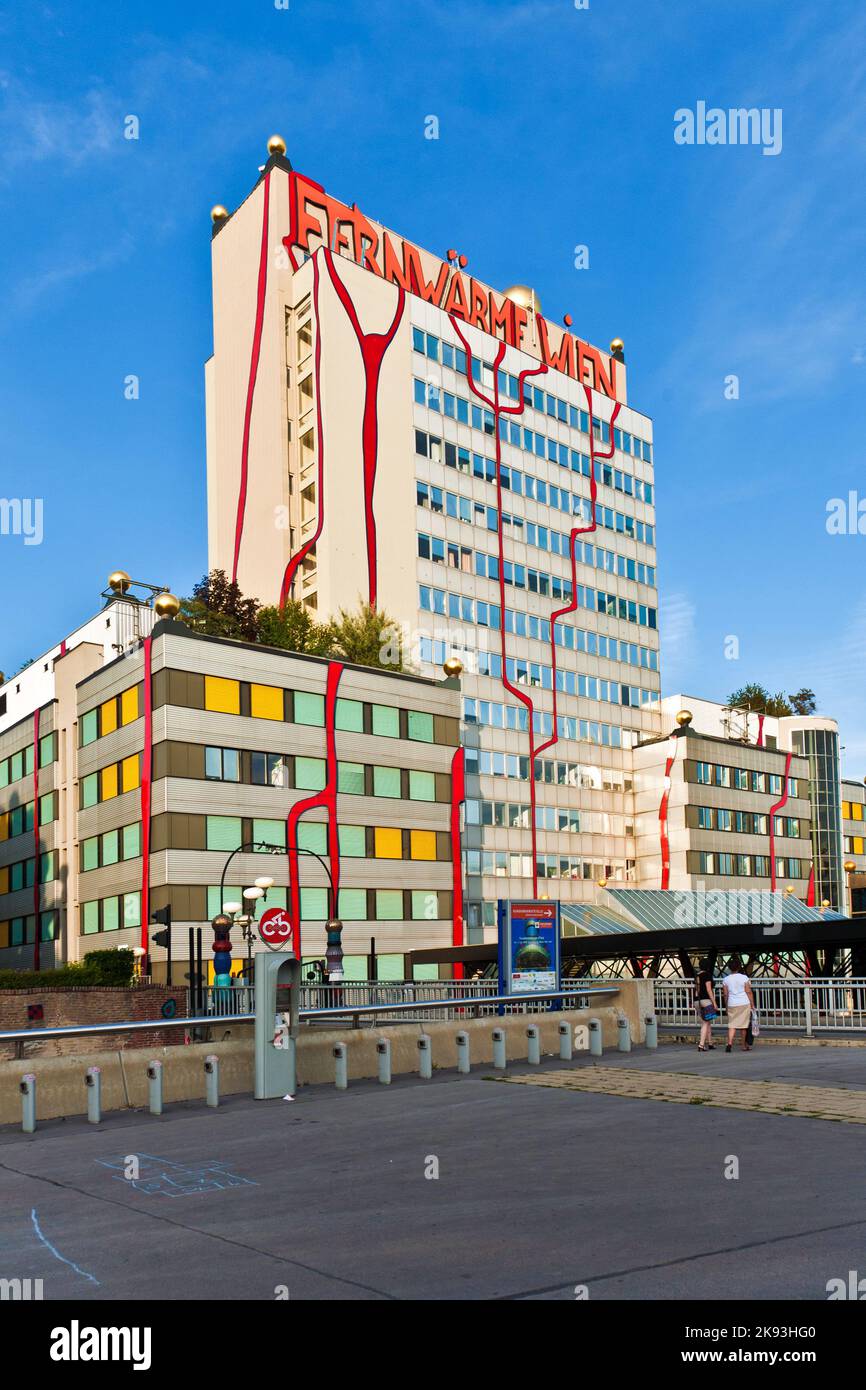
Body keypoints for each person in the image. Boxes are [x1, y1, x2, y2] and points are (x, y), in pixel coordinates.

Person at [723, 957, 755, 1052]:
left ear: (729, 968)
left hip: (732, 1003)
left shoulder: (726, 979)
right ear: (739, 967)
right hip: (744, 1003)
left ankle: (729, 1043)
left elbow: (725, 994)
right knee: (743, 1026)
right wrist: (752, 1004)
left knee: (732, 1025)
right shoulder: (744, 978)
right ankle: (743, 1045)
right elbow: (748, 991)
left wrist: (726, 1005)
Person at [695, 959, 718, 1052]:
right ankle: (701, 1045)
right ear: (708, 966)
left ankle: (710, 1043)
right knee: (705, 1023)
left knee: (707, 1022)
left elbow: (697, 990)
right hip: (706, 1001)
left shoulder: (697, 975)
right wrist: (714, 1003)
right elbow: (709, 990)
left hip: (697, 1001)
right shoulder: (707, 975)